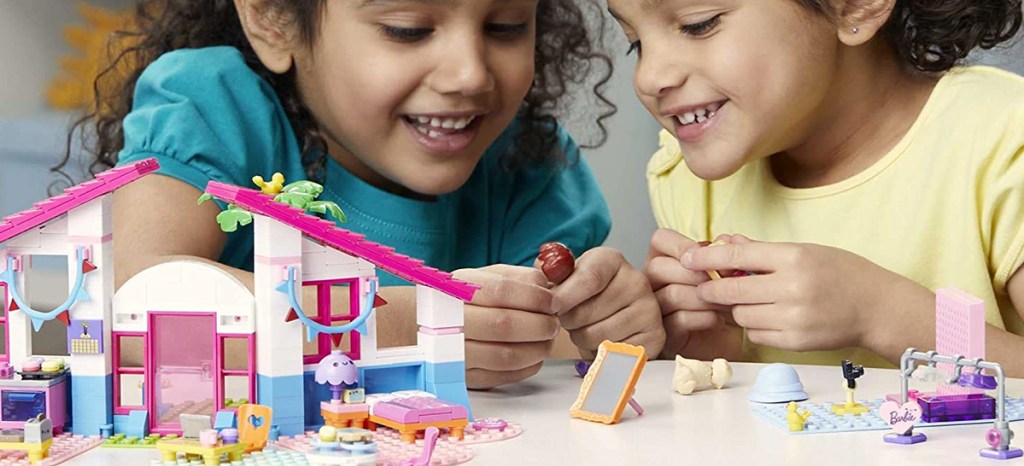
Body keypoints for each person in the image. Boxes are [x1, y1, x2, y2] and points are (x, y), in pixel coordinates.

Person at [60, 0, 665, 388]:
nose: (470, 74)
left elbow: (554, 356)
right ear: (273, 18)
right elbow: (133, 288)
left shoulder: (528, 159)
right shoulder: (215, 106)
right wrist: (415, 319)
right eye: (408, 30)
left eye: (505, 27)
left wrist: (608, 321)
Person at [607, 0, 1024, 373]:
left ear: (856, 6)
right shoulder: (687, 178)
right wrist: (713, 352)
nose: (649, 76)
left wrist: (880, 314)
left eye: (699, 24)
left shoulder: (1001, 144)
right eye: (635, 43)